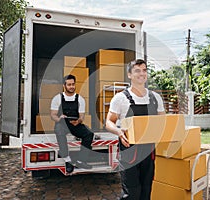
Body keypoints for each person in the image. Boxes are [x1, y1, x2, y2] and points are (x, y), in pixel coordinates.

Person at [106, 59, 165, 200]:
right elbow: (109, 122)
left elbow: (163, 122)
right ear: (129, 75)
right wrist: (119, 132)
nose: (142, 73)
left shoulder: (155, 98)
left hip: (148, 151)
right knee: (131, 193)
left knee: (146, 190)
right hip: (129, 151)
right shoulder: (120, 98)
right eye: (137, 70)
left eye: (144, 70)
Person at [50, 74, 94, 172]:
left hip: (75, 124)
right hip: (62, 123)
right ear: (64, 85)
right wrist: (59, 118)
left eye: (73, 84)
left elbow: (82, 116)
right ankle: (67, 160)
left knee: (89, 134)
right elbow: (53, 115)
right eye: (69, 85)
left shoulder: (80, 99)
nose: (71, 87)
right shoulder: (57, 98)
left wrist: (78, 121)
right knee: (59, 130)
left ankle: (81, 161)